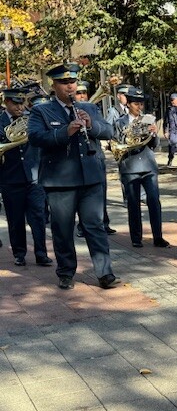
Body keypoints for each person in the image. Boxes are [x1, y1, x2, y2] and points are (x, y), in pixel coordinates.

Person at [27, 63, 119, 290]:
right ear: (53, 85)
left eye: (73, 82)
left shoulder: (89, 107)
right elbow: (35, 138)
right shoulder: (42, 111)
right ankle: (66, 272)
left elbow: (109, 131)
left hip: (91, 177)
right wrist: (64, 132)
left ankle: (105, 272)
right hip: (60, 180)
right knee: (62, 228)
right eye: (64, 83)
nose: (70, 86)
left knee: (95, 226)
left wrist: (92, 124)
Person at [0, 86, 52, 267]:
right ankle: (19, 253)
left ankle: (41, 253)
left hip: (34, 176)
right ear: (6, 102)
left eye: (22, 103)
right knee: (15, 219)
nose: (20, 107)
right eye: (16, 103)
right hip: (10, 177)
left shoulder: (32, 119)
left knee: (38, 217)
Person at [114, 85, 170, 248]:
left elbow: (155, 145)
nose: (140, 107)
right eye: (136, 103)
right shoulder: (120, 122)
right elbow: (117, 143)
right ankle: (136, 238)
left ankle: (158, 236)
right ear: (129, 104)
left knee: (154, 201)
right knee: (133, 203)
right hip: (130, 166)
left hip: (148, 165)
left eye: (141, 104)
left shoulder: (148, 119)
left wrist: (153, 133)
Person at [75, 80, 117, 238]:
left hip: (95, 158)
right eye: (79, 93)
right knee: (81, 196)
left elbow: (108, 131)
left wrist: (90, 124)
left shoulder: (93, 109)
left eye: (84, 93)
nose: (82, 96)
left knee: (101, 193)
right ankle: (82, 226)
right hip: (77, 161)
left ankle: (104, 223)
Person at [163, 92, 177, 166]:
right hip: (173, 131)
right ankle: (170, 158)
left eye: (174, 100)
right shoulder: (169, 110)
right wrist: (166, 131)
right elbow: (166, 121)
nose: (172, 101)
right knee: (172, 144)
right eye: (171, 100)